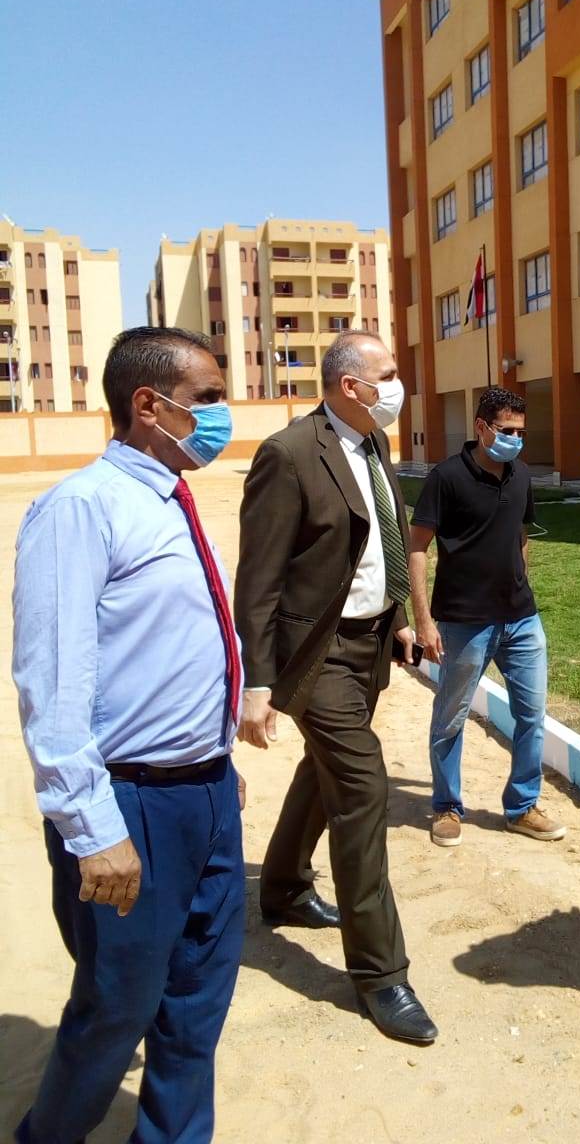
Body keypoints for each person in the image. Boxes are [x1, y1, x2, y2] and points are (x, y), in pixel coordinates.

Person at [12, 326, 246, 1142]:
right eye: (207, 398)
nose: (221, 414)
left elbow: (176, 647)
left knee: (197, 1003)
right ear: (149, 405)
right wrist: (91, 827)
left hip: (205, 792)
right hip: (128, 805)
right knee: (118, 1008)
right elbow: (51, 682)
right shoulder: (82, 508)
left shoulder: (171, 499)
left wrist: (216, 757)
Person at [234, 329, 438, 1045]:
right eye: (389, 373)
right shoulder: (289, 454)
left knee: (323, 774)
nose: (398, 384)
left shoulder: (373, 442)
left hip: (369, 643)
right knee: (362, 787)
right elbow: (258, 579)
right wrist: (257, 680)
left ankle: (284, 888)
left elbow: (380, 540)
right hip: (315, 654)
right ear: (352, 386)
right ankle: (381, 975)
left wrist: (400, 618)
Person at [409, 386, 565, 848]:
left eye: (521, 432)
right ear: (481, 427)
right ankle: (446, 806)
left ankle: (522, 806)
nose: (515, 440)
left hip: (521, 620)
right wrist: (424, 621)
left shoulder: (521, 475)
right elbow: (417, 548)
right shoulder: (446, 478)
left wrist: (520, 581)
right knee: (451, 717)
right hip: (464, 622)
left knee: (532, 716)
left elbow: (521, 534)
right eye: (506, 430)